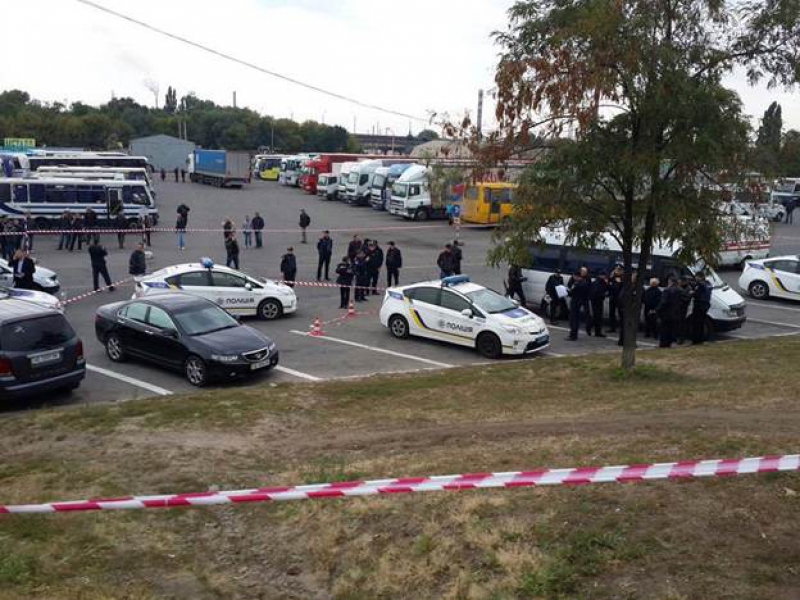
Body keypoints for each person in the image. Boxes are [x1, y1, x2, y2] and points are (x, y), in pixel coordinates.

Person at [657, 277, 682, 348]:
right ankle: (669, 343)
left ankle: (663, 344)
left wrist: (657, 309)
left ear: (670, 282)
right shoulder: (679, 290)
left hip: (666, 313)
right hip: (675, 313)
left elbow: (663, 302)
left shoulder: (667, 290)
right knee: (671, 329)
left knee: (664, 329)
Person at [617, 272, 641, 346]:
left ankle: (624, 341)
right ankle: (624, 341)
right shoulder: (629, 287)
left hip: (629, 309)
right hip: (627, 310)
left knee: (627, 327)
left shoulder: (633, 287)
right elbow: (621, 298)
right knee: (627, 327)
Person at [566, 269, 590, 341]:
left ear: (577, 276)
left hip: (575, 302)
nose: (573, 277)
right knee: (576, 319)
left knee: (573, 320)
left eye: (574, 276)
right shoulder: (585, 283)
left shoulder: (577, 284)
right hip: (580, 302)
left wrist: (567, 291)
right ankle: (574, 335)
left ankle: (572, 336)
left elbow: (571, 293)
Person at [691, 272, 712, 344]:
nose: (695, 278)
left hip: (699, 305)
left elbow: (696, 294)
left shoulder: (700, 285)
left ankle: (696, 340)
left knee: (696, 324)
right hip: (706, 305)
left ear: (700, 277)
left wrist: (692, 293)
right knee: (702, 322)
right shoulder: (708, 283)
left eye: (696, 277)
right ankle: (701, 339)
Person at [589, 271, 609, 337]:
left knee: (598, 317)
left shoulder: (602, 282)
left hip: (599, 301)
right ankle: (589, 327)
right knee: (597, 317)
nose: (605, 277)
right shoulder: (597, 282)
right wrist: (603, 294)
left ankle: (597, 332)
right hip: (596, 301)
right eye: (603, 276)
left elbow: (606, 288)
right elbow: (595, 293)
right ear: (600, 276)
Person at [676, 277, 692, 344]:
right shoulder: (681, 288)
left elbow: (686, 298)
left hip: (683, 308)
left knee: (682, 324)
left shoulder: (687, 288)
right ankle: (677, 337)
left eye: (680, 282)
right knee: (678, 323)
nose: (679, 283)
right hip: (679, 307)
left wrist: (680, 295)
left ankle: (681, 338)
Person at [608, 265, 624, 333]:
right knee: (611, 313)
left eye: (619, 269)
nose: (617, 270)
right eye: (616, 269)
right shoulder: (612, 277)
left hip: (620, 299)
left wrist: (620, 282)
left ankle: (622, 328)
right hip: (612, 298)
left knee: (621, 314)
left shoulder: (623, 278)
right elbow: (609, 285)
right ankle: (612, 328)